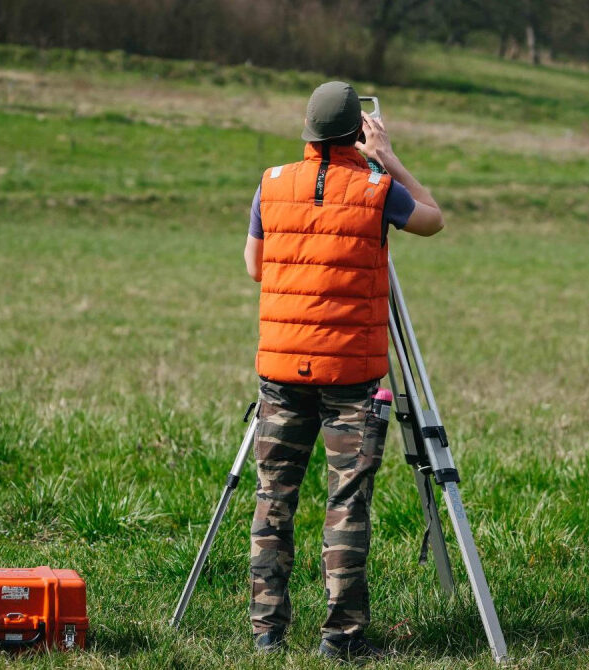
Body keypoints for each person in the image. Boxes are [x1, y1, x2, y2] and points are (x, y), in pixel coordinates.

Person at [242, 81, 444, 660]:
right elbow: (433, 220)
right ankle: (342, 637)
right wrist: (389, 157)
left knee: (274, 496)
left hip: (281, 371)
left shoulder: (271, 184)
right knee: (346, 501)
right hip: (352, 379)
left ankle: (266, 631)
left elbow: (255, 267)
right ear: (358, 130)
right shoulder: (379, 189)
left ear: (307, 133)